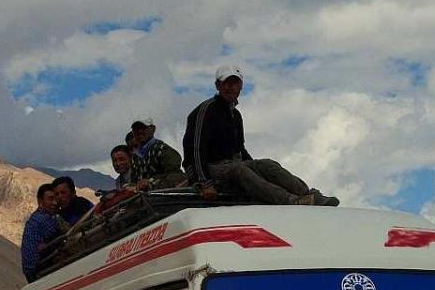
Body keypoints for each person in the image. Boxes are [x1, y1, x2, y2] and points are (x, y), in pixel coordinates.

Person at [182, 65, 339, 206]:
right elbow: (195, 150)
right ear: (218, 85)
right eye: (226, 83)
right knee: (239, 170)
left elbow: (240, 150)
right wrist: (204, 182)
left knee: (267, 164)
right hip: (211, 169)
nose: (231, 87)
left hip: (232, 165)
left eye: (235, 83)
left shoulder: (235, 115)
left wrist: (257, 169)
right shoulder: (205, 111)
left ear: (241, 86)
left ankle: (308, 195)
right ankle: (290, 201)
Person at [20, 183, 63, 282]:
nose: (55, 203)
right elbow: (64, 235)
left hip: (31, 270)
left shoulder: (36, 216)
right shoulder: (42, 219)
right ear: (40, 201)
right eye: (50, 199)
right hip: (38, 270)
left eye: (56, 199)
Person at [130, 119, 186, 190]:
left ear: (153, 129)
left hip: (164, 198)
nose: (139, 131)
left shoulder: (164, 150)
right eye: (136, 129)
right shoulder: (134, 157)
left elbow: (176, 175)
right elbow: (134, 180)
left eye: (143, 128)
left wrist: (151, 181)